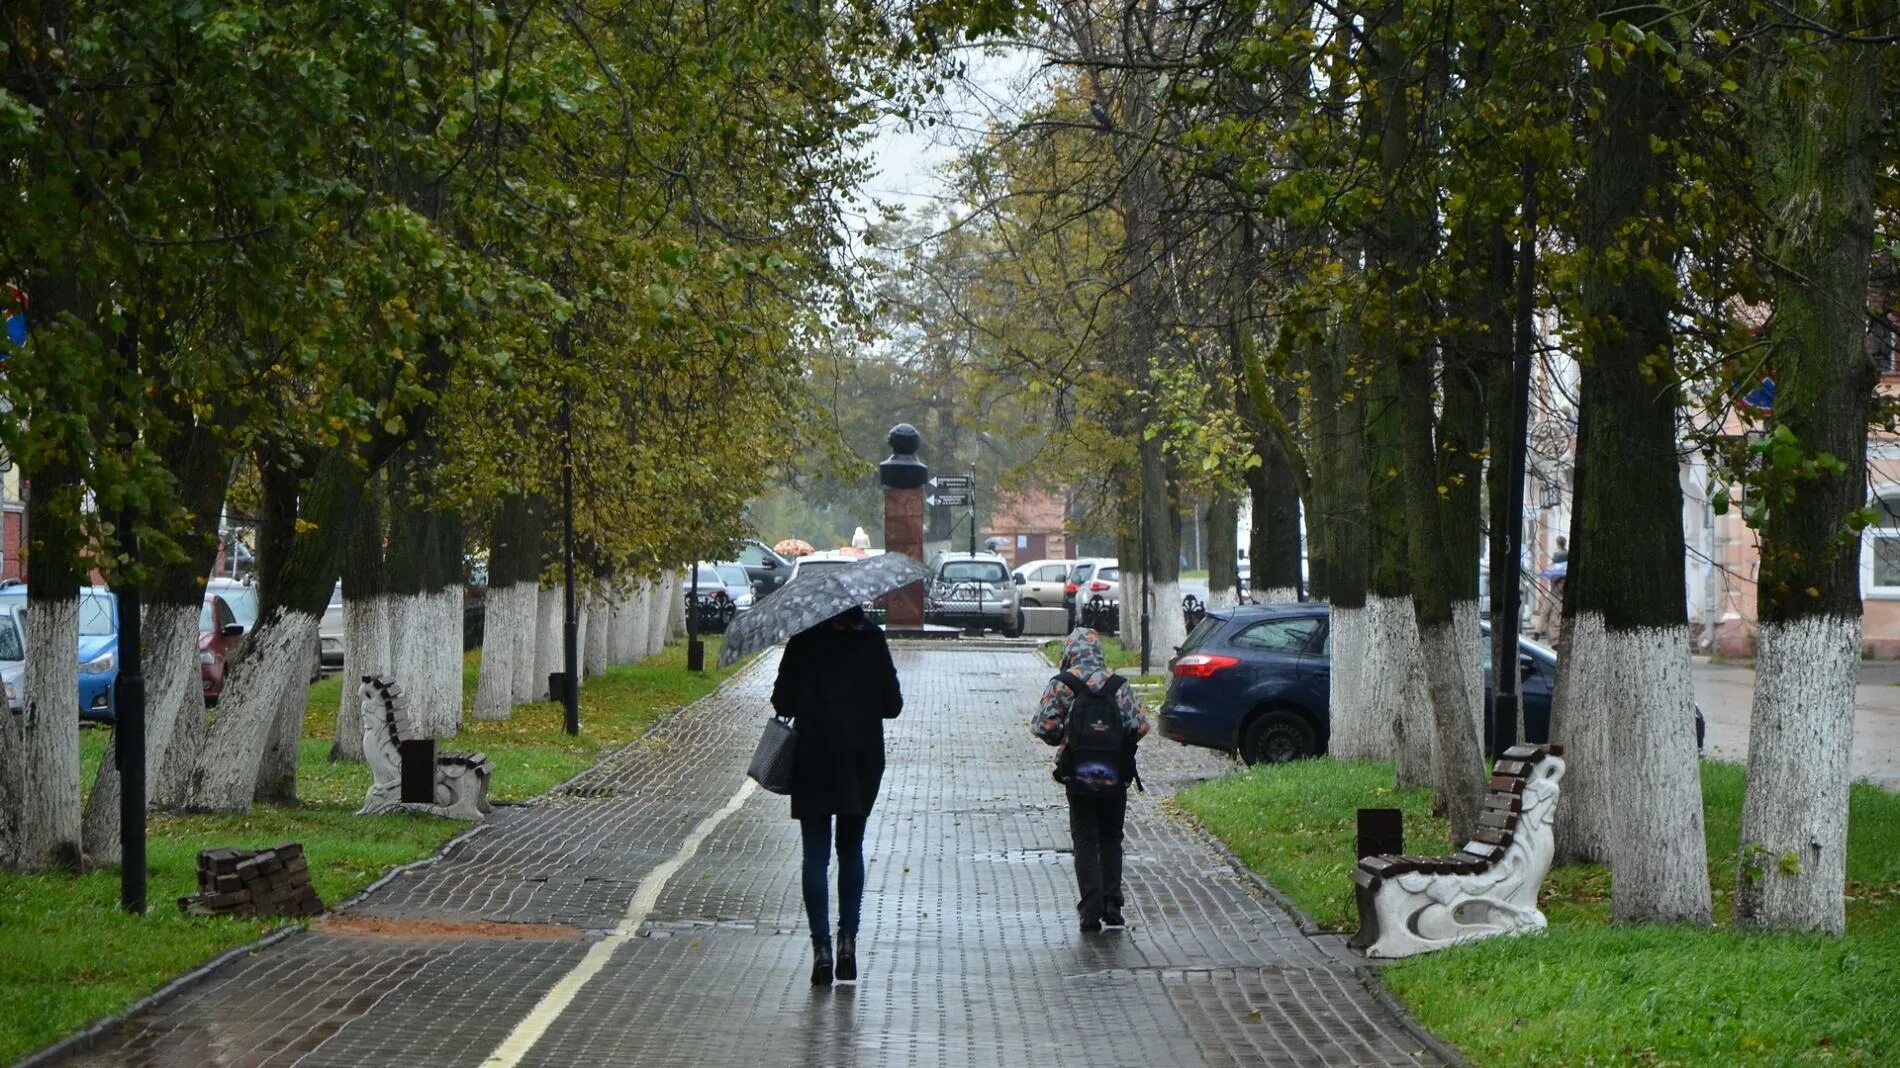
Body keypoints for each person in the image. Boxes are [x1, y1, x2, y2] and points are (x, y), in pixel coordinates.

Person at [771, 605, 903, 986]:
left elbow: (783, 703)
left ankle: (822, 950)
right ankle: (848, 942)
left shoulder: (803, 639)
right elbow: (892, 706)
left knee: (815, 853)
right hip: (861, 760)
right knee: (851, 848)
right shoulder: (872, 639)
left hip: (812, 757)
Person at [1032, 628, 1151, 933]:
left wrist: (1068, 739)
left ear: (1069, 651)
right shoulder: (1118, 684)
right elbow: (1139, 726)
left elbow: (1043, 726)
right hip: (1114, 774)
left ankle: (1090, 909)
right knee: (1111, 838)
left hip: (1079, 775)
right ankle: (1113, 906)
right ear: (1099, 651)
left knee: (1084, 839)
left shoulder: (1063, 684)